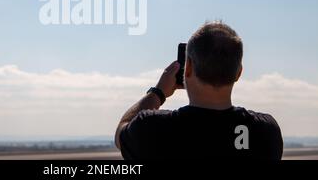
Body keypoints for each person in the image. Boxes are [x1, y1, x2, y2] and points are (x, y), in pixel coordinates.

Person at [115, 21, 283, 159]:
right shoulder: (266, 131)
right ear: (238, 73)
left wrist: (158, 92)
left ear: (187, 68)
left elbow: (121, 132)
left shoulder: (151, 128)